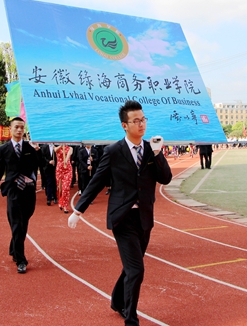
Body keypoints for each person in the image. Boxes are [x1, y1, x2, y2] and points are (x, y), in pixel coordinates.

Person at [68, 100, 172, 325]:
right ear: (125, 125)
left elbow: (165, 178)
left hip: (144, 218)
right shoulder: (113, 151)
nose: (142, 124)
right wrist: (78, 210)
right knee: (136, 270)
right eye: (136, 121)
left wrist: (158, 154)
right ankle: (131, 318)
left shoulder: (150, 149)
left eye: (143, 119)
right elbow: (97, 181)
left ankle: (117, 299)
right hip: (122, 219)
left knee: (131, 266)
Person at [0, 117, 40, 274]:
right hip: (13, 190)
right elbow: (0, 170)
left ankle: (13, 247)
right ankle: (20, 260)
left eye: (22, 127)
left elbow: (36, 165)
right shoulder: (3, 149)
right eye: (16, 127)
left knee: (24, 222)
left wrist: (37, 152)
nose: (19, 130)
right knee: (17, 224)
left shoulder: (29, 147)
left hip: (28, 190)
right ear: (10, 129)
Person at [54, 144, 73, 213]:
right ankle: (61, 201)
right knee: (60, 188)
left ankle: (65, 205)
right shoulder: (57, 148)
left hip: (67, 169)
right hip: (59, 169)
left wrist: (66, 160)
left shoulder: (70, 148)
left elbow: (68, 155)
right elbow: (55, 150)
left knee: (66, 188)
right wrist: (61, 145)